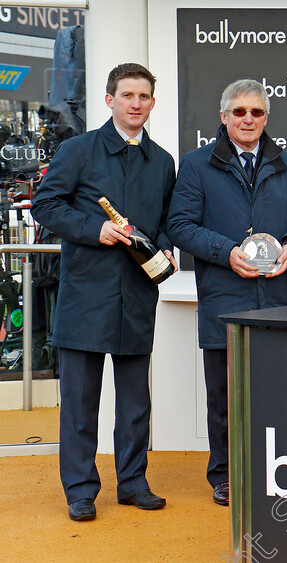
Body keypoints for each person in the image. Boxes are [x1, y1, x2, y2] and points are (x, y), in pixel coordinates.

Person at [32, 63, 177, 521]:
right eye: (128, 95)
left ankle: (133, 483)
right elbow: (45, 205)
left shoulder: (164, 162)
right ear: (109, 99)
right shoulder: (78, 150)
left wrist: (169, 249)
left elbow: (168, 221)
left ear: (153, 103)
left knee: (136, 402)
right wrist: (96, 229)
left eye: (144, 96)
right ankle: (80, 491)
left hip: (137, 296)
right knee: (79, 404)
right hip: (85, 297)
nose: (136, 103)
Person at [167, 79, 287, 506]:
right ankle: (225, 474)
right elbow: (180, 226)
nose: (247, 119)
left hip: (276, 297)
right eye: (239, 112)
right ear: (224, 117)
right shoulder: (196, 165)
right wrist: (226, 251)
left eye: (256, 112)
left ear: (266, 118)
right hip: (223, 296)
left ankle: (275, 472)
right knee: (225, 397)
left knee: (276, 392)